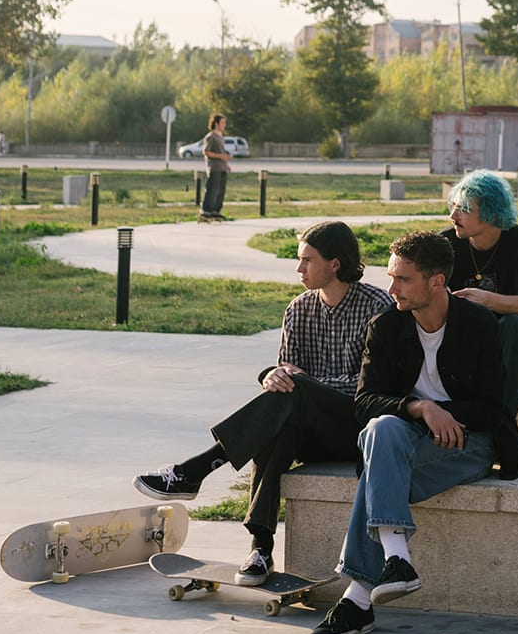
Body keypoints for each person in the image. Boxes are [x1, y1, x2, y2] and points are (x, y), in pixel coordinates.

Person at [133, 220, 391, 585]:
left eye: (307, 260)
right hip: (307, 426)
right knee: (278, 426)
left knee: (294, 393)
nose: (298, 269)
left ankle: (196, 470)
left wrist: (301, 381)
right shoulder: (298, 309)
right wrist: (272, 374)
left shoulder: (376, 305)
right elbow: (286, 374)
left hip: (358, 429)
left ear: (335, 263)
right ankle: (260, 548)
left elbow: (370, 386)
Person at [309, 229, 518, 634]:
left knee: (379, 470)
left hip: (468, 445)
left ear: (436, 281)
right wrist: (421, 407)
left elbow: (492, 408)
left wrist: (448, 415)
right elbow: (365, 401)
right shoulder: (386, 326)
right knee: (380, 428)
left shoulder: (478, 324)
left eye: (403, 279)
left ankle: (358, 596)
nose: (392, 289)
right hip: (404, 438)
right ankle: (396, 560)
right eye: (391, 277)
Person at [442, 168, 518, 414]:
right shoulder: (446, 244)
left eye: (464, 209)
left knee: (516, 325)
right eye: (454, 206)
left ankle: (501, 424)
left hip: (510, 346)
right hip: (464, 342)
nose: (452, 216)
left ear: (491, 213)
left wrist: (485, 299)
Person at [199, 113, 230, 222]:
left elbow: (221, 152)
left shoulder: (220, 137)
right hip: (214, 167)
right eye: (222, 122)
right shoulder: (210, 137)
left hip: (222, 167)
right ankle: (206, 210)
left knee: (221, 190)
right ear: (216, 123)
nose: (224, 125)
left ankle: (216, 210)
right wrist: (220, 156)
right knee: (212, 189)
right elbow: (206, 152)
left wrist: (226, 164)